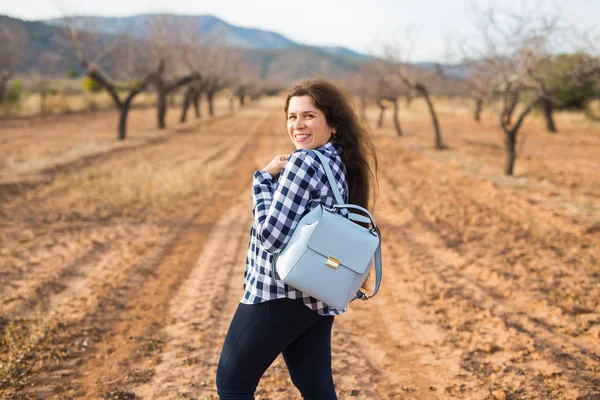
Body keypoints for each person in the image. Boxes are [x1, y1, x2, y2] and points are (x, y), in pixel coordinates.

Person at [216, 79, 378, 399]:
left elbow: (270, 238)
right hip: (316, 294)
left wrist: (262, 181)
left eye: (309, 116)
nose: (298, 124)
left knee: (232, 385)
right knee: (316, 388)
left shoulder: (303, 161)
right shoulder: (334, 159)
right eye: (292, 117)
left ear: (332, 124)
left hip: (277, 293)